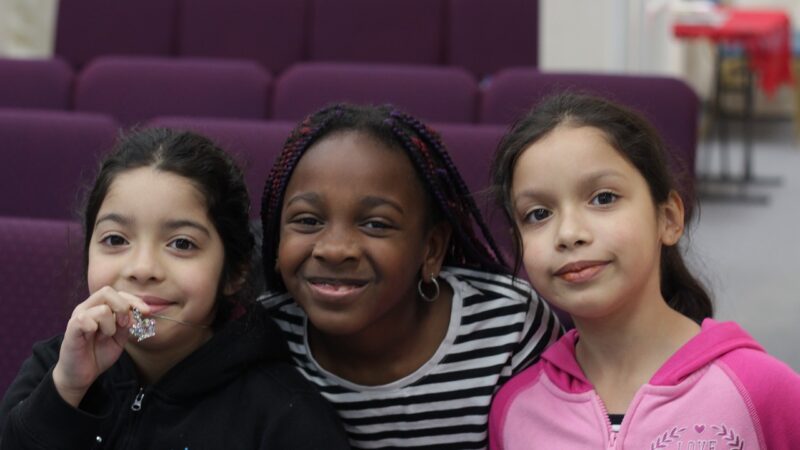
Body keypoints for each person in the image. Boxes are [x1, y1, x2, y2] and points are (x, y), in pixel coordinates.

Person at [0, 128, 350, 449]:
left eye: (181, 244)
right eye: (115, 239)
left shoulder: (284, 415)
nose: (143, 269)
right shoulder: (54, 367)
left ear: (235, 272)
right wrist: (65, 390)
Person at [487, 92, 800, 449]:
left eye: (603, 198)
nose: (569, 234)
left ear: (668, 218)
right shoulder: (515, 409)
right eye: (538, 214)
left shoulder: (760, 390)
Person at [258, 103, 562, 449]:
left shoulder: (508, 326)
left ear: (431, 249)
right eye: (308, 221)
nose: (335, 249)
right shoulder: (261, 336)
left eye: (375, 223)